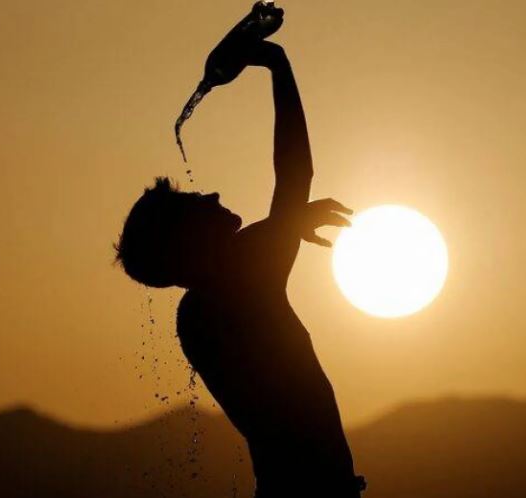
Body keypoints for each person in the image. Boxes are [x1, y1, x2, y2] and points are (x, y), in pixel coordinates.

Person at [115, 12, 366, 498]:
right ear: (187, 241)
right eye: (194, 203)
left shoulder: (203, 306)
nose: (210, 195)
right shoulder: (236, 286)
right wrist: (277, 63)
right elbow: (295, 173)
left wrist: (283, 223)